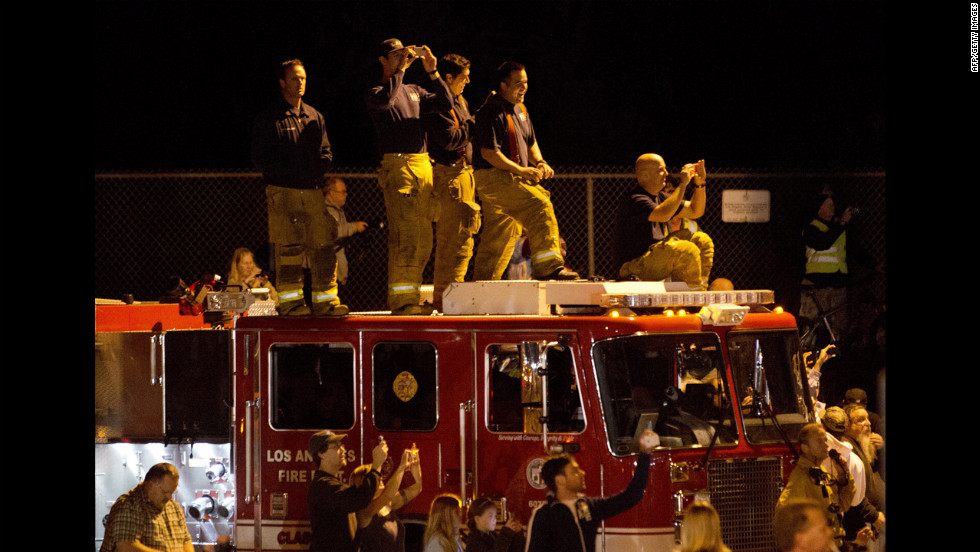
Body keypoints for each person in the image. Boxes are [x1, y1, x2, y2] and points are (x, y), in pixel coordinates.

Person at [251, 58, 347, 317]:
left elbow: (326, 152)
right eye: (294, 78)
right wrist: (290, 172)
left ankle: (326, 302)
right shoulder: (270, 119)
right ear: (282, 83)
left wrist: (316, 170)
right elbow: (261, 158)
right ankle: (292, 304)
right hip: (284, 193)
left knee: (323, 246)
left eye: (303, 78)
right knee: (289, 250)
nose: (300, 82)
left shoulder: (314, 116)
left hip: (313, 192)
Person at [365, 39, 453, 315]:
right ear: (383, 59)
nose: (404, 57)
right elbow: (386, 101)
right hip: (399, 167)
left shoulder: (415, 90)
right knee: (405, 235)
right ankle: (402, 301)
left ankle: (410, 296)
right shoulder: (377, 91)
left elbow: (445, 102)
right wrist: (400, 69)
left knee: (424, 237)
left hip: (422, 166)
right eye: (396, 53)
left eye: (406, 52)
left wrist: (433, 72)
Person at [470, 61, 579, 282]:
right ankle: (549, 267)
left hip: (510, 179)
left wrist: (540, 162)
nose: (524, 88)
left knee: (500, 234)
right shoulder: (490, 111)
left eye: (526, 83)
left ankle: (482, 284)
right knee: (539, 204)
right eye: (518, 83)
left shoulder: (521, 110)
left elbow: (530, 143)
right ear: (503, 84)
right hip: (494, 179)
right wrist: (522, 170)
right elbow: (490, 154)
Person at [524, 429, 660, 552]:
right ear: (560, 480)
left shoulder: (588, 507)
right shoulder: (544, 515)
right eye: (574, 471)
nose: (582, 473)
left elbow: (631, 496)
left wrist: (645, 454)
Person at [423, 53, 482, 311]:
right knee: (451, 241)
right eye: (463, 77)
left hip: (464, 175)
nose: (467, 82)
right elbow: (450, 139)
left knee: (463, 241)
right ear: (448, 78)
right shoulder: (438, 104)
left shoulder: (461, 101)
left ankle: (453, 296)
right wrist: (475, 123)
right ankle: (444, 300)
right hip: (448, 176)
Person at [612, 155, 709, 289]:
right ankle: (690, 298)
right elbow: (663, 214)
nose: (667, 174)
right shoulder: (635, 199)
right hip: (634, 266)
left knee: (702, 240)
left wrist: (700, 183)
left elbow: (695, 211)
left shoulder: (661, 197)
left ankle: (699, 288)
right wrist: (683, 184)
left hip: (653, 257)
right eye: (661, 170)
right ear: (645, 175)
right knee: (685, 249)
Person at [776, 423, 855, 551]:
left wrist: (844, 476)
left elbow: (843, 505)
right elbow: (785, 519)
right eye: (819, 441)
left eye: (825, 440)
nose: (826, 445)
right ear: (805, 448)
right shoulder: (800, 479)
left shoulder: (821, 473)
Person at [307, 431, 389, 552]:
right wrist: (376, 465)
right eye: (336, 447)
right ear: (320, 453)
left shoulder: (333, 484)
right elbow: (360, 498)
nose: (343, 450)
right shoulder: (322, 486)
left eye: (342, 445)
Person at [820, 408, 884, 550]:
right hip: (848, 532)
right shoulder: (851, 458)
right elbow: (855, 501)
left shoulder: (856, 451)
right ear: (847, 426)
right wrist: (872, 516)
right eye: (860, 420)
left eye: (867, 418)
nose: (867, 423)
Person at [100, 462, 194, 552]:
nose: (169, 498)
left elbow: (186, 541)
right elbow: (126, 547)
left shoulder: (174, 508)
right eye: (165, 492)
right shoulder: (129, 505)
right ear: (151, 484)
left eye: (172, 492)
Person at [350, 446, 423, 552]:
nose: (380, 478)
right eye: (374, 477)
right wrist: (402, 466)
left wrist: (415, 466)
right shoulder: (363, 511)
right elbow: (387, 494)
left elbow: (416, 488)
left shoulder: (388, 505)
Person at [322, 177, 368, 288]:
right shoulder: (329, 211)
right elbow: (336, 231)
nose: (346, 195)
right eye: (343, 192)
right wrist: (355, 227)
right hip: (330, 268)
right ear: (331, 193)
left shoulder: (336, 210)